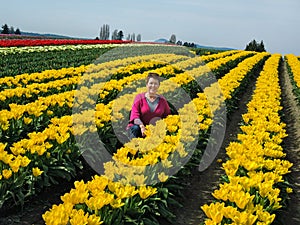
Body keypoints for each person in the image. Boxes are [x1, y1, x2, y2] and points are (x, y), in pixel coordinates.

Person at [127, 72, 171, 139]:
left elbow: (167, 116)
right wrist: (142, 126)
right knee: (135, 128)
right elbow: (135, 117)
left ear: (159, 85)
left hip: (153, 129)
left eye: (155, 84)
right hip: (139, 128)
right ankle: (134, 147)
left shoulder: (162, 100)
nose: (153, 86)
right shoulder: (139, 98)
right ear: (147, 85)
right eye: (151, 83)